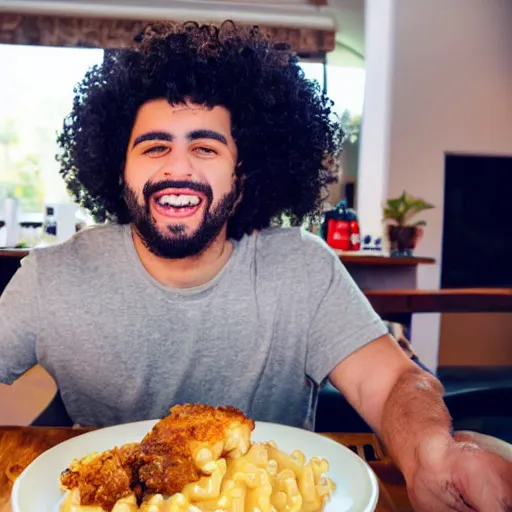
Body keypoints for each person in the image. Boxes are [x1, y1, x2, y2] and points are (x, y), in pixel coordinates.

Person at [1, 21, 510, 511]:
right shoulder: (51, 278)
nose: (177, 168)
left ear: (244, 174)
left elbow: (394, 383)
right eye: (154, 147)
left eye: (205, 147)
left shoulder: (303, 269)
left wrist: (434, 457)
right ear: (120, 170)